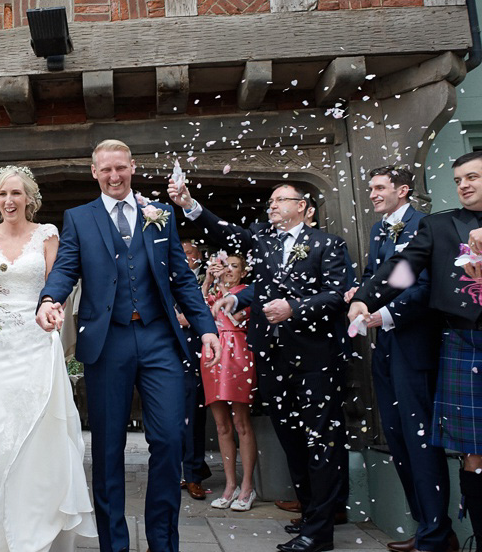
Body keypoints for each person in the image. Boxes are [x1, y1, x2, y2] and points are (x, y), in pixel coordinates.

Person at [37, 141, 219, 552]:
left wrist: (207, 327)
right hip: (107, 341)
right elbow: (66, 267)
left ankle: (163, 543)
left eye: (121, 168)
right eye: (106, 170)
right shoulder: (79, 219)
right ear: (94, 172)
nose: (114, 176)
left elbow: (182, 278)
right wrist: (50, 300)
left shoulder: (162, 215)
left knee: (171, 439)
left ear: (133, 167)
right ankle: (114, 545)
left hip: (159, 339)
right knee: (107, 448)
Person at [170, 179, 348, 552]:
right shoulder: (263, 240)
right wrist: (191, 205)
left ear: (304, 207)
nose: (272, 205)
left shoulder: (327, 244)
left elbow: (336, 294)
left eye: (281, 199)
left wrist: (294, 308)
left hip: (315, 356)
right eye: (270, 200)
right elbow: (226, 233)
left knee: (320, 439)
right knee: (291, 438)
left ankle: (321, 531)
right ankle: (310, 513)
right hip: (270, 355)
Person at [0, 165, 96, 551]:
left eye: (16, 194)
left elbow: (57, 281)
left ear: (30, 198)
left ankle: (33, 523)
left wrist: (54, 307)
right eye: (2, 194)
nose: (9, 201)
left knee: (36, 430)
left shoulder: (47, 234)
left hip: (35, 338)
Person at [350, 151, 482, 549]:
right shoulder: (441, 225)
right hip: (465, 342)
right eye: (459, 179)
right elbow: (404, 267)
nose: (464, 185)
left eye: (473, 177)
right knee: (474, 455)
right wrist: (366, 298)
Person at [199, 253, 256, 512]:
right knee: (222, 426)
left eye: (234, 267)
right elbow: (197, 311)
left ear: (243, 272)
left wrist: (221, 287)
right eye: (225, 266)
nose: (229, 270)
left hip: (238, 351)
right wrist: (208, 279)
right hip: (213, 353)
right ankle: (230, 485)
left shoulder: (246, 292)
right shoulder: (213, 289)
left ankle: (247, 486)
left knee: (241, 422)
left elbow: (235, 318)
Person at [178, 239, 211, 501]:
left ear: (198, 256)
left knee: (193, 412)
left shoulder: (208, 277)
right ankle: (183, 468)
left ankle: (194, 475)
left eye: (189, 253)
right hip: (169, 350)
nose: (185, 257)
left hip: (198, 350)